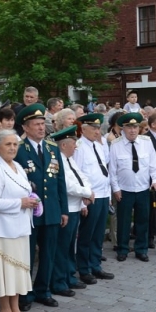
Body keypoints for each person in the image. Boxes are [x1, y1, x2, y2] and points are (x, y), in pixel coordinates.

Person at [13, 103, 68, 308]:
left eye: (42, 124)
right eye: (36, 124)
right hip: (29, 212)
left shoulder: (52, 148)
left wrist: (63, 210)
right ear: (25, 127)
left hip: (51, 210)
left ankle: (43, 290)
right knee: (26, 254)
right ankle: (24, 294)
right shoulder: (19, 149)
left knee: (48, 253)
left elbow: (60, 181)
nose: (41, 128)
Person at [0, 129, 38, 312]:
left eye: (15, 144)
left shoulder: (18, 167)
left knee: (18, 269)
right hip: (4, 229)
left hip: (21, 226)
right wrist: (20, 203)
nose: (12, 148)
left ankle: (15, 307)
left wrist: (32, 200)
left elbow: (25, 191)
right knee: (6, 271)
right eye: (8, 144)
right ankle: (4, 310)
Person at [109, 112, 156, 262]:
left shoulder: (146, 142)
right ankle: (122, 249)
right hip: (124, 190)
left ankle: (141, 249)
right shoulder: (116, 145)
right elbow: (112, 170)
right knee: (123, 221)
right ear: (123, 128)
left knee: (143, 221)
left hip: (144, 188)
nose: (132, 130)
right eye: (129, 127)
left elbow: (153, 165)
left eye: (135, 127)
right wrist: (116, 189)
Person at [51, 125, 93, 296]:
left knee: (69, 246)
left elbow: (82, 177)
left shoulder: (69, 159)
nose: (76, 147)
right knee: (62, 247)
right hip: (66, 208)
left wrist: (87, 192)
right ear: (63, 145)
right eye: (73, 143)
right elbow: (67, 185)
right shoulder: (58, 160)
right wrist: (86, 193)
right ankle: (59, 282)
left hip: (75, 206)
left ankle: (69, 276)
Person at [73, 113, 114, 285]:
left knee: (98, 234)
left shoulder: (98, 145)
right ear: (83, 129)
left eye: (98, 128)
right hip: (90, 197)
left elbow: (104, 170)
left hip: (103, 195)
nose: (98, 132)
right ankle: (84, 269)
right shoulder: (79, 147)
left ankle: (96, 265)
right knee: (87, 234)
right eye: (94, 128)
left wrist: (109, 195)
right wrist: (82, 201)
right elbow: (77, 174)